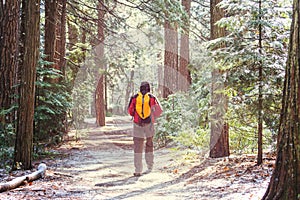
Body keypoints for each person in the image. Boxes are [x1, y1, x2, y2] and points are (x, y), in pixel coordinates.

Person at [127, 81, 163, 176]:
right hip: (149, 125)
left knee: (138, 147)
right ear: (149, 88)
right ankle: (150, 166)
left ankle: (138, 170)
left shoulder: (134, 98)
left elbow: (130, 111)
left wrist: (136, 116)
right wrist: (153, 117)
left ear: (140, 88)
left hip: (137, 124)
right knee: (149, 145)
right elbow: (159, 110)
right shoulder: (152, 98)